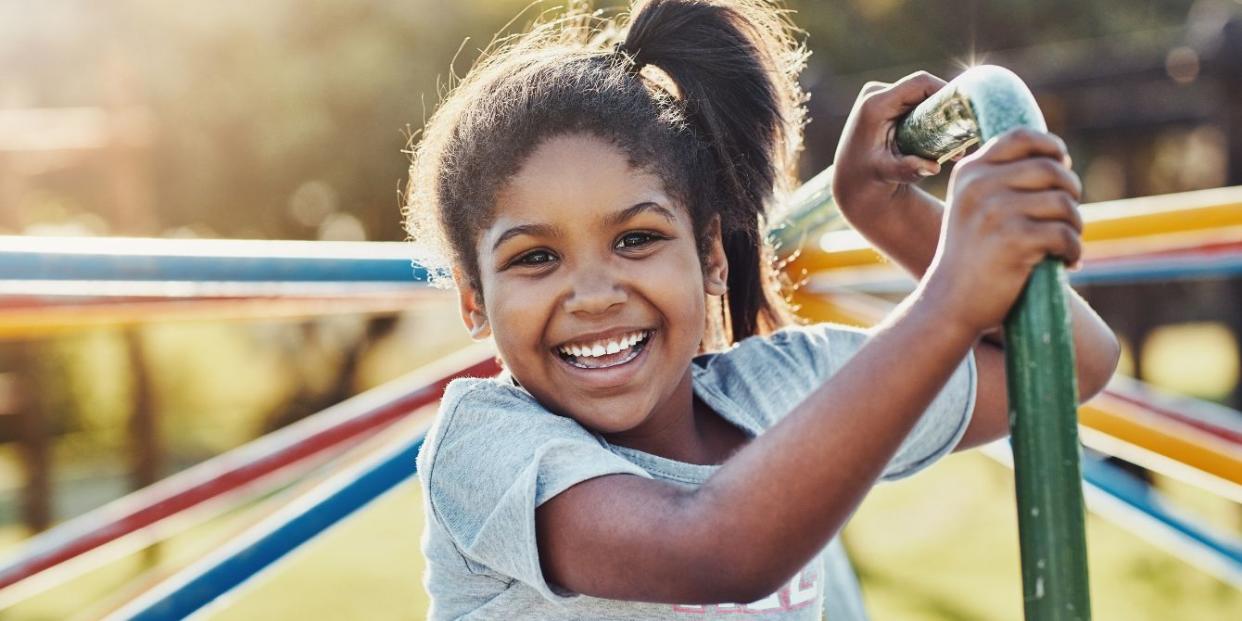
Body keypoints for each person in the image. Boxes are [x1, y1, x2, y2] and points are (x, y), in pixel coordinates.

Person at [403, 0, 1121, 618]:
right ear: (473, 297)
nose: (594, 294)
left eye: (637, 238)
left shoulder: (777, 390)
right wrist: (948, 300)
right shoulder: (484, 447)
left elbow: (1072, 362)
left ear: (711, 255)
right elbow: (713, 547)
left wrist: (888, 213)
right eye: (535, 257)